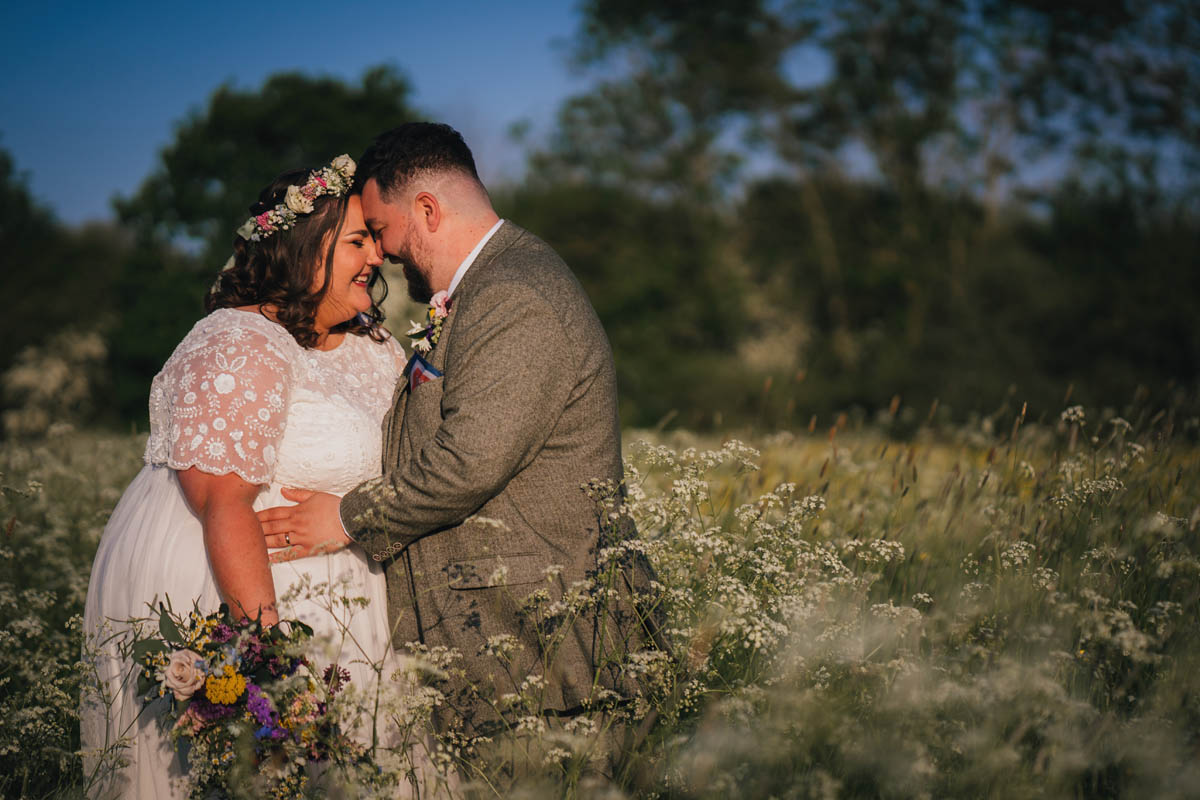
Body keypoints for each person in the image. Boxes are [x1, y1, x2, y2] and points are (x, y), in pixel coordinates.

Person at [257, 124, 656, 744]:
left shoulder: (514, 294)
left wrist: (346, 517)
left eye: (382, 232)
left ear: (427, 210)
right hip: (502, 648)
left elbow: (471, 458)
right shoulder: (485, 290)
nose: (382, 254)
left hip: (541, 653)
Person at [81, 155, 406, 799]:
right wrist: (265, 671)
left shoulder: (377, 347)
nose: (377, 257)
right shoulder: (238, 341)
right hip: (246, 600)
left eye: (376, 239)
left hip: (353, 605)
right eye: (357, 241)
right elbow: (221, 501)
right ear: (300, 250)